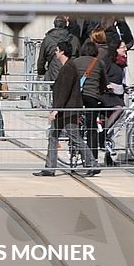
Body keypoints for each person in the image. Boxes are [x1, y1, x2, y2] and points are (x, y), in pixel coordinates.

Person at [35, 41, 96, 176]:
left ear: (62, 52)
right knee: (54, 136)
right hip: (65, 109)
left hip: (67, 110)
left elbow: (64, 91)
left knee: (74, 136)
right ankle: (49, 168)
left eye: (57, 50)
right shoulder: (68, 66)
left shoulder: (68, 68)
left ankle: (92, 163)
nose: (55, 52)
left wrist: (56, 110)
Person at [74, 41, 109, 164]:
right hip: (92, 97)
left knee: (75, 125)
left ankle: (74, 151)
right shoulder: (99, 63)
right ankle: (92, 158)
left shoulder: (75, 62)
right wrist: (103, 89)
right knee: (92, 127)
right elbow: (103, 82)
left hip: (77, 97)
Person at [37, 17, 80, 81]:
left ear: (54, 24)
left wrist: (41, 72)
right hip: (71, 74)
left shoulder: (47, 39)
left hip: (53, 74)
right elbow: (79, 56)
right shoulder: (74, 39)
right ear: (65, 24)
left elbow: (41, 59)